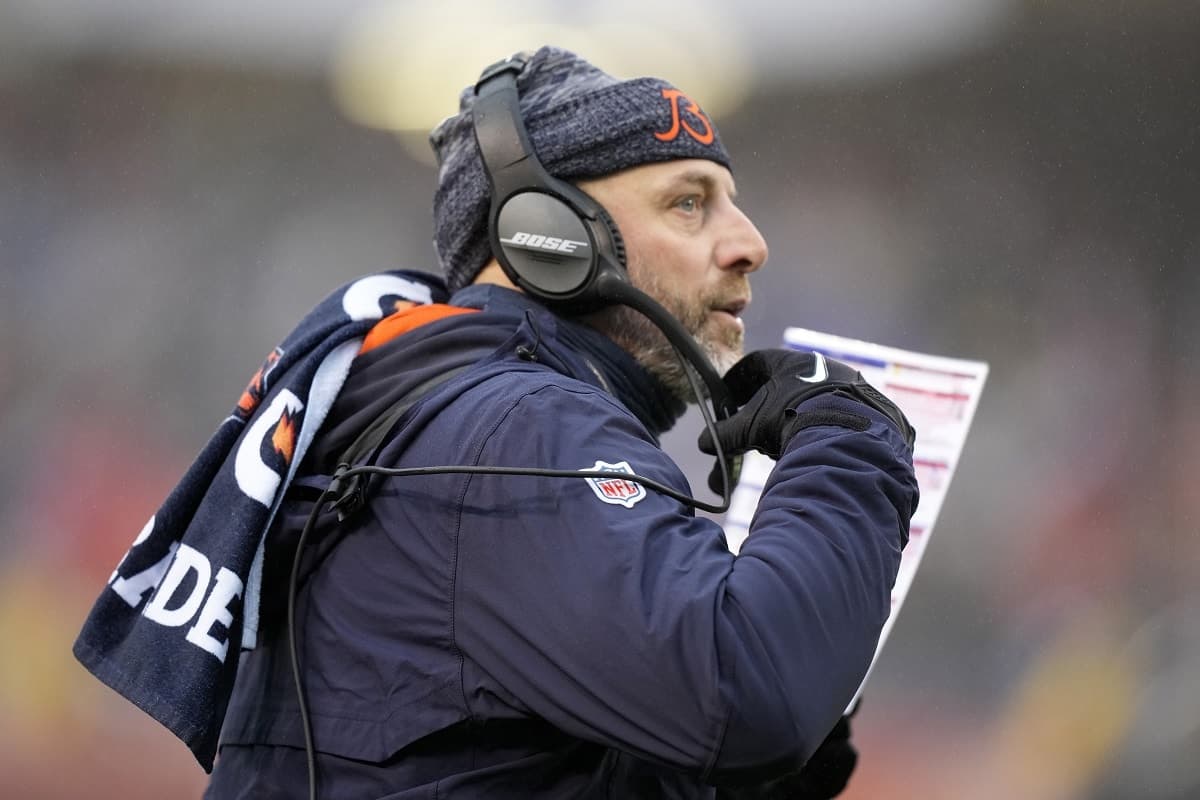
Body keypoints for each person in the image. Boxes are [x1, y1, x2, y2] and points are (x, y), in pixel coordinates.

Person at [98, 45, 917, 799]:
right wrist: (846, 436)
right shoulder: (518, 429)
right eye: (688, 204)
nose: (750, 243)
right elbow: (744, 699)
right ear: (550, 238)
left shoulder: (443, 410)